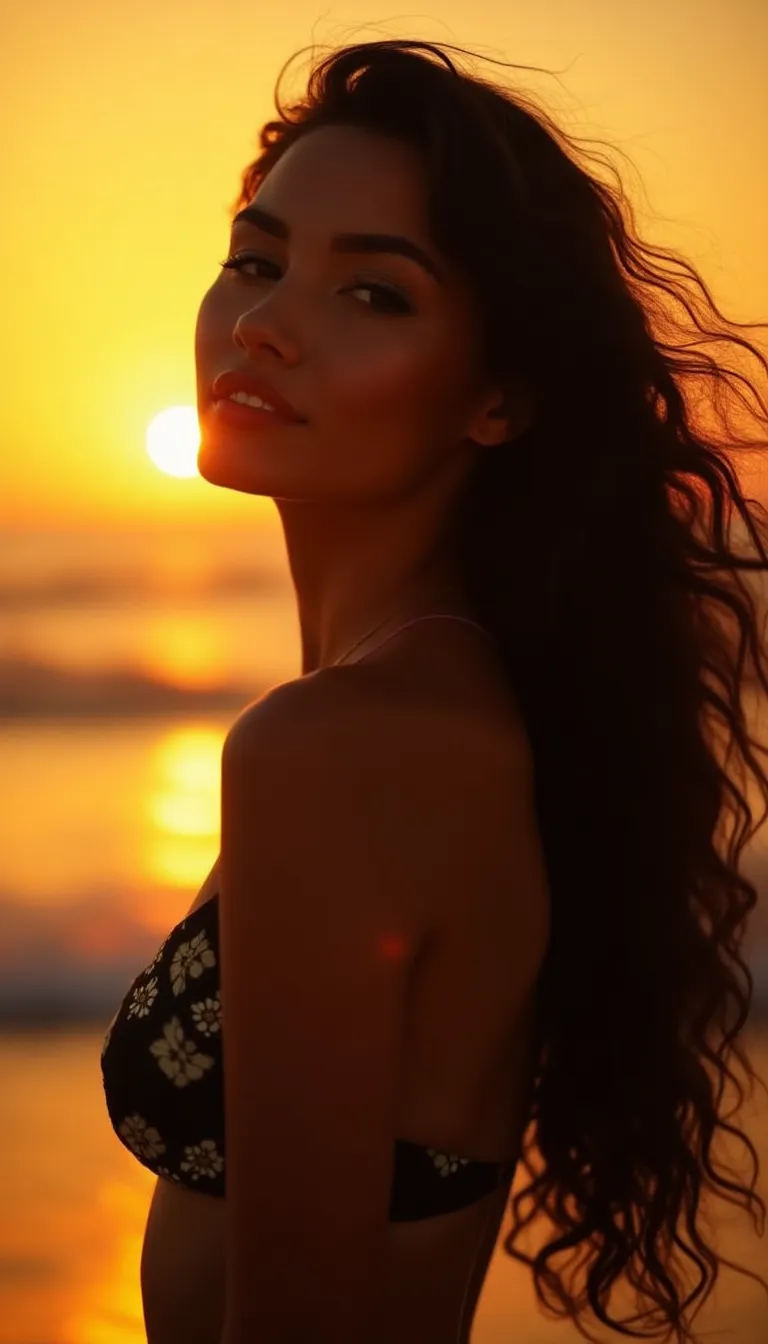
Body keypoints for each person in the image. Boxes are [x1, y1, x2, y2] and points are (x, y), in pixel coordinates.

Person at [102, 36, 768, 1344]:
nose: (266, 324)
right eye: (255, 261)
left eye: (373, 293)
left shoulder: (339, 750)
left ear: (499, 399)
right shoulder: (443, 707)